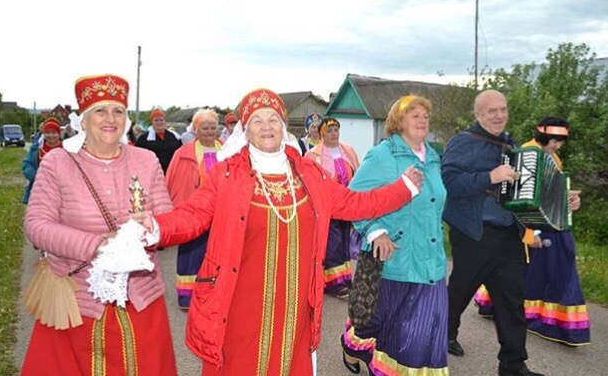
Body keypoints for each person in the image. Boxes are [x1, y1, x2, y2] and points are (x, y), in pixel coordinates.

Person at [132, 88, 423, 375]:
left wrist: (402, 189)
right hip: (239, 302)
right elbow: (192, 215)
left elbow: (354, 203)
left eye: (273, 119)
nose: (266, 127)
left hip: (295, 303)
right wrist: (157, 226)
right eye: (257, 121)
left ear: (283, 127)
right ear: (245, 132)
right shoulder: (227, 174)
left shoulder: (310, 174)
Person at [21, 74, 176, 375]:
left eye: (118, 111)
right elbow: (37, 225)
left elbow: (167, 221)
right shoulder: (57, 162)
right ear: (84, 119)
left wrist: (148, 231)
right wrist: (98, 243)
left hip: (141, 297)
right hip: (77, 300)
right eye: (100, 111)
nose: (110, 119)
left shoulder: (147, 160)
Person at [340, 95, 448, 375]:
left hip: (432, 263)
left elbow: (437, 202)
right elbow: (352, 199)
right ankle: (353, 346)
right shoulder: (384, 155)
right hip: (395, 261)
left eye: (425, 115)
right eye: (414, 115)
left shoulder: (434, 158)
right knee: (377, 324)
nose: (422, 119)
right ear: (398, 122)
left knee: (422, 333)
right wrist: (376, 232)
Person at [442, 90, 544, 376]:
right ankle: (442, 337)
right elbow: (449, 183)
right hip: (474, 233)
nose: (499, 115)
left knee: (512, 300)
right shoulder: (462, 143)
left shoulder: (512, 145)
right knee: (459, 291)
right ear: (478, 114)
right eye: (491, 111)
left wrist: (557, 202)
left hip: (509, 234)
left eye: (503, 109)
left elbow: (524, 192)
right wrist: (490, 177)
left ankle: (513, 364)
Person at [474, 116, 588, 346]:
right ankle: (539, 318)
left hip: (552, 224)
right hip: (528, 227)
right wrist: (530, 233)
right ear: (543, 136)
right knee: (530, 270)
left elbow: (552, 194)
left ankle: (548, 319)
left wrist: (571, 200)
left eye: (561, 142)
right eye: (555, 140)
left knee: (555, 265)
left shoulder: (553, 158)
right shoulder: (524, 155)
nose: (558, 146)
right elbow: (514, 199)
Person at [166, 108, 223, 308]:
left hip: (221, 210)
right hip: (193, 209)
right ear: (196, 130)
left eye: (213, 127)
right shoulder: (182, 153)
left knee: (218, 253)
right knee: (191, 252)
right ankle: (187, 297)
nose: (209, 131)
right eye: (204, 128)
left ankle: (213, 294)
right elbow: (171, 180)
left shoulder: (228, 151)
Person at [306, 117, 359, 298]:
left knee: (344, 241)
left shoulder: (348, 151)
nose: (333, 133)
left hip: (346, 203)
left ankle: (344, 278)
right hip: (327, 205)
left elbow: (357, 174)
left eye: (336, 129)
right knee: (333, 243)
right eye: (329, 131)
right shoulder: (314, 155)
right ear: (322, 134)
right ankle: (333, 283)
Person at [22, 117, 63, 204]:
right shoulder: (36, 149)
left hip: (63, 191)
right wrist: (35, 177)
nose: (50, 135)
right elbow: (26, 164)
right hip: (40, 190)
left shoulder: (68, 149)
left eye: (54, 132)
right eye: (47, 133)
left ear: (59, 134)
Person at [136, 107, 182, 174]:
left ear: (165, 121)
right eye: (156, 120)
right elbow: (137, 156)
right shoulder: (143, 139)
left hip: (171, 171)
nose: (159, 122)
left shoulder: (174, 136)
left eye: (161, 120)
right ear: (152, 122)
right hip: (151, 172)